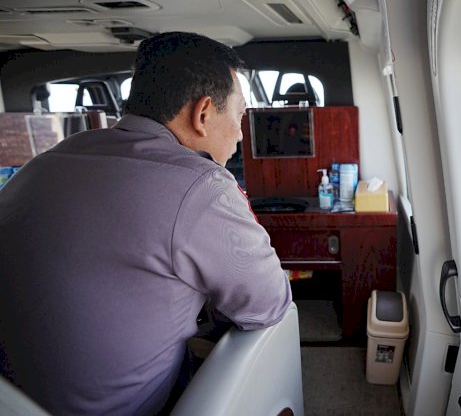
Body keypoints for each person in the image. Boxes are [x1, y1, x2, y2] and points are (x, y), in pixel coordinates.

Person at [0, 32, 292, 415]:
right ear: (203, 114)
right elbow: (269, 304)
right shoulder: (201, 187)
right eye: (238, 115)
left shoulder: (43, 163)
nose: (240, 133)